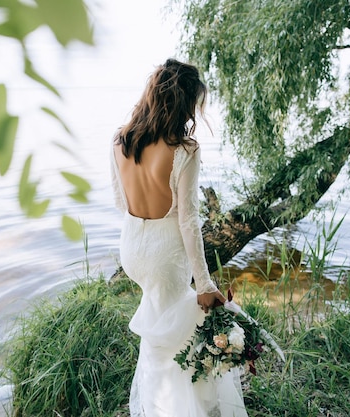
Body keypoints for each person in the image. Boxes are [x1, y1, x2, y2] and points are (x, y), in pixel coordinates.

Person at [111, 58, 248, 417]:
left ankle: (159, 407)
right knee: (176, 339)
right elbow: (188, 221)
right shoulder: (184, 149)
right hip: (164, 257)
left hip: (133, 249)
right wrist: (204, 283)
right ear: (184, 103)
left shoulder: (121, 140)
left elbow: (119, 201)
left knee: (162, 331)